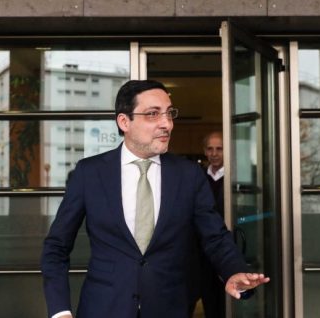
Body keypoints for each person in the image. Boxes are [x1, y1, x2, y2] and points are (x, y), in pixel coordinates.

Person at [41, 80, 268, 318]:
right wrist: (60, 310)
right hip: (103, 308)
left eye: (169, 113)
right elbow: (56, 246)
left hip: (169, 308)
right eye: (153, 114)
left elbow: (215, 237)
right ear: (124, 122)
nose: (166, 124)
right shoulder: (90, 173)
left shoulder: (189, 175)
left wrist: (233, 270)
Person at [189, 131, 226, 318]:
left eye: (219, 149)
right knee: (207, 298)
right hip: (201, 251)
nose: (214, 153)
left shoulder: (238, 177)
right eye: (210, 149)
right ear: (204, 151)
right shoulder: (198, 177)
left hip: (225, 247)